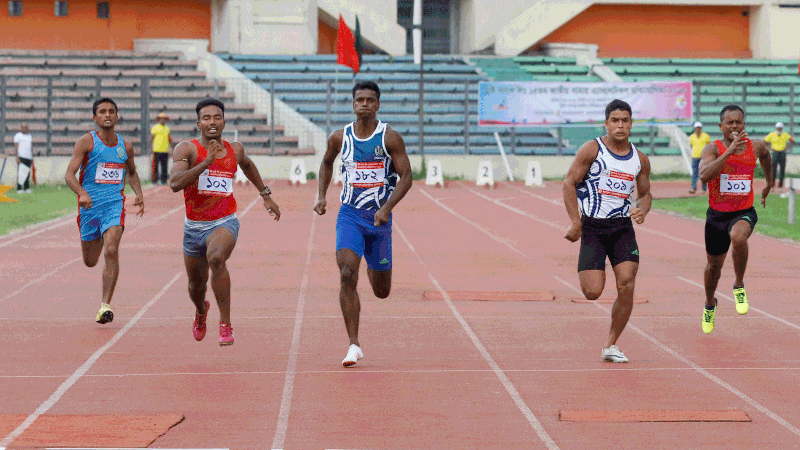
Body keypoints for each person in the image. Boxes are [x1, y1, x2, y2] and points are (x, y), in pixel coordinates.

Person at [313, 81, 413, 367]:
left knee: (382, 291)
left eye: (370, 100)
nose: (365, 104)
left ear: (378, 104)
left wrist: (387, 207)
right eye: (360, 100)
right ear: (353, 104)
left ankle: (373, 263)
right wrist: (321, 195)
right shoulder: (338, 137)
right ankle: (353, 345)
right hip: (350, 215)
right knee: (346, 272)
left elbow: (406, 176)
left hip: (379, 219)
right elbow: (326, 163)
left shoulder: (390, 137)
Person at [169, 98, 281, 346]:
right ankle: (201, 310)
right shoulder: (186, 149)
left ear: (224, 122)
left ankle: (225, 323)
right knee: (195, 287)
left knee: (217, 258)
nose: (212, 122)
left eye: (217, 117)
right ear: (199, 123)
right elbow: (175, 183)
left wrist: (265, 196)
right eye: (206, 118)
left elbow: (248, 165)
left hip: (224, 221)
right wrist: (206, 163)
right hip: (194, 227)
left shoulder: (235, 150)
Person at [563, 99, 652, 363]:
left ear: (631, 124)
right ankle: (589, 263)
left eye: (625, 120)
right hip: (592, 227)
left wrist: (643, 209)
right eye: (615, 120)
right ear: (606, 123)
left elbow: (646, 195)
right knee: (593, 292)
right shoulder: (592, 149)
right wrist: (574, 222)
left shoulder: (640, 159)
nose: (620, 125)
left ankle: (611, 344)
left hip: (622, 228)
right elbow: (569, 183)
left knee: (626, 285)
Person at [64, 98, 145, 324]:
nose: (107, 115)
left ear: (117, 116)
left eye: (111, 111)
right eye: (102, 112)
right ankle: (98, 234)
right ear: (95, 118)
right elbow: (69, 174)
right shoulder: (87, 142)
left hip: (114, 206)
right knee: (90, 261)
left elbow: (131, 172)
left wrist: (138, 193)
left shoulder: (125, 146)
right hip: (90, 209)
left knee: (111, 249)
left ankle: (105, 306)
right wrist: (82, 193)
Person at [699, 105, 772, 334]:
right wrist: (728, 152)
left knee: (738, 237)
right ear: (721, 126)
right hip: (717, 216)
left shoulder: (756, 145)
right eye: (729, 122)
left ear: (744, 125)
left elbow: (767, 156)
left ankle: (739, 284)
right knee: (713, 267)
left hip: (743, 211)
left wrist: (769, 183)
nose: (734, 126)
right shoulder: (712, 148)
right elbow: (703, 175)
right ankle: (710, 303)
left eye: (738, 122)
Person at [764, 121, 794, 189]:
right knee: (773, 170)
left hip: (782, 152)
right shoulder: (772, 134)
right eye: (778, 128)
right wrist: (769, 148)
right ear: (776, 128)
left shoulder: (785, 134)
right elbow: (765, 141)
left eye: (780, 128)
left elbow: (792, 140)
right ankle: (772, 186)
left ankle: (780, 186)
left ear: (782, 128)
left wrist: (787, 147)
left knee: (782, 170)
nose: (779, 129)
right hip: (775, 152)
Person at [151, 112, 174, 185]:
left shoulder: (167, 128)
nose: (162, 120)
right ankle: (155, 181)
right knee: (156, 166)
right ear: (159, 120)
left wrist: (171, 148)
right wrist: (150, 148)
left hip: (165, 150)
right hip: (156, 150)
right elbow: (151, 138)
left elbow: (169, 139)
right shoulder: (155, 127)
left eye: (164, 119)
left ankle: (164, 181)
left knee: (164, 166)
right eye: (161, 119)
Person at [689, 121, 711, 194]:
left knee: (703, 173)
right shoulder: (692, 137)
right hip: (695, 157)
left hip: (704, 158)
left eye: (699, 128)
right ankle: (693, 188)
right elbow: (691, 145)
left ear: (701, 128)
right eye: (696, 128)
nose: (697, 129)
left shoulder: (705, 136)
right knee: (694, 173)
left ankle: (704, 189)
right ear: (695, 129)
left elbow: (709, 146)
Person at [13, 123, 33, 194]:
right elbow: (16, 147)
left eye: (26, 127)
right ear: (21, 128)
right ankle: (19, 188)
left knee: (27, 173)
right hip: (21, 156)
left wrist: (32, 157)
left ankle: (26, 187)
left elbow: (30, 147)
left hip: (28, 157)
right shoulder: (18, 136)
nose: (25, 129)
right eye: (23, 127)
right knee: (21, 173)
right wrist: (17, 157)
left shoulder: (29, 136)